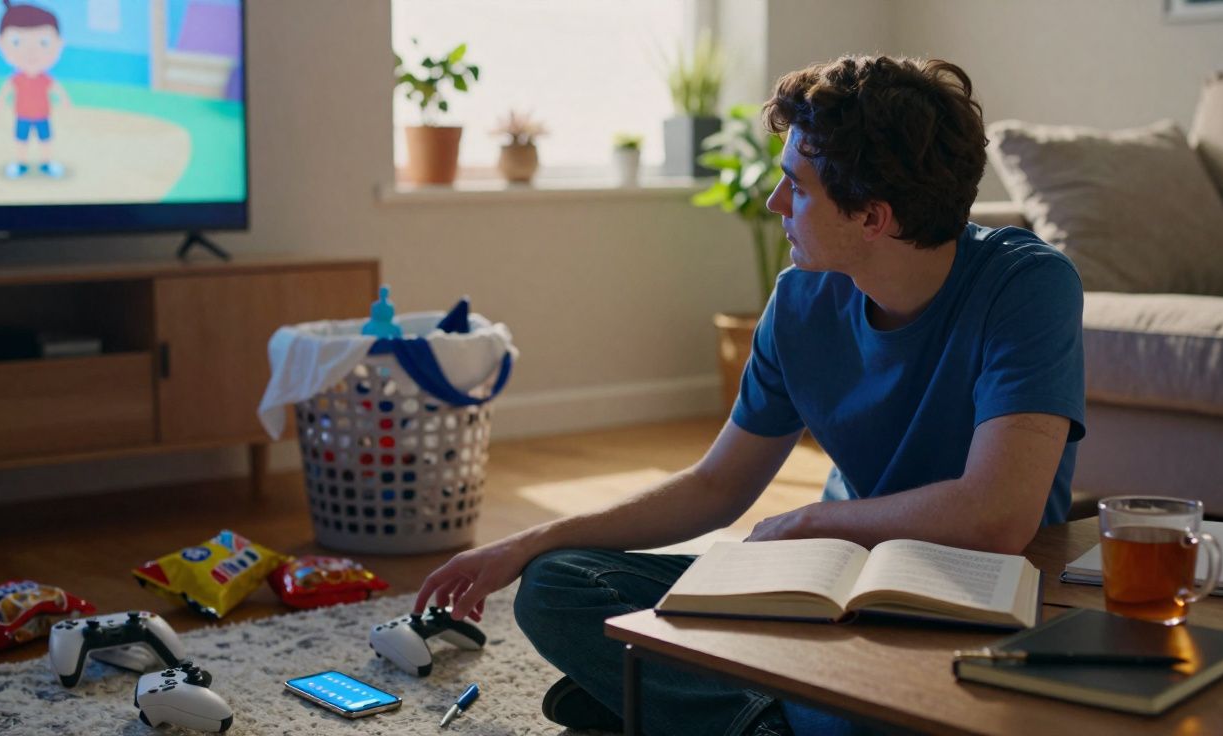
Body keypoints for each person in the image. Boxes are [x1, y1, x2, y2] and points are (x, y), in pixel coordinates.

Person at [414, 54, 1085, 736]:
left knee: (870, 721)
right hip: (828, 583)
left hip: (965, 601)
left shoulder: (1026, 286)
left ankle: (686, 707)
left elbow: (996, 515)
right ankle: (745, 715)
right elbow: (716, 487)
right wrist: (527, 543)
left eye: (796, 186)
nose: (775, 203)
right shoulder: (800, 301)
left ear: (873, 217)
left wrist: (811, 523)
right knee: (558, 587)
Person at [0, 0, 70, 179]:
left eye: (43, 42)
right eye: (17, 41)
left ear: (59, 44)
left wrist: (64, 100)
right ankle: (21, 165)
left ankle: (46, 163)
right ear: (0, 43)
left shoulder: (45, 79)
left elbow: (56, 89)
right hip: (23, 115)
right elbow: (6, 90)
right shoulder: (17, 79)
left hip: (42, 115)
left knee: (45, 140)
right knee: (21, 141)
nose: (31, 51)